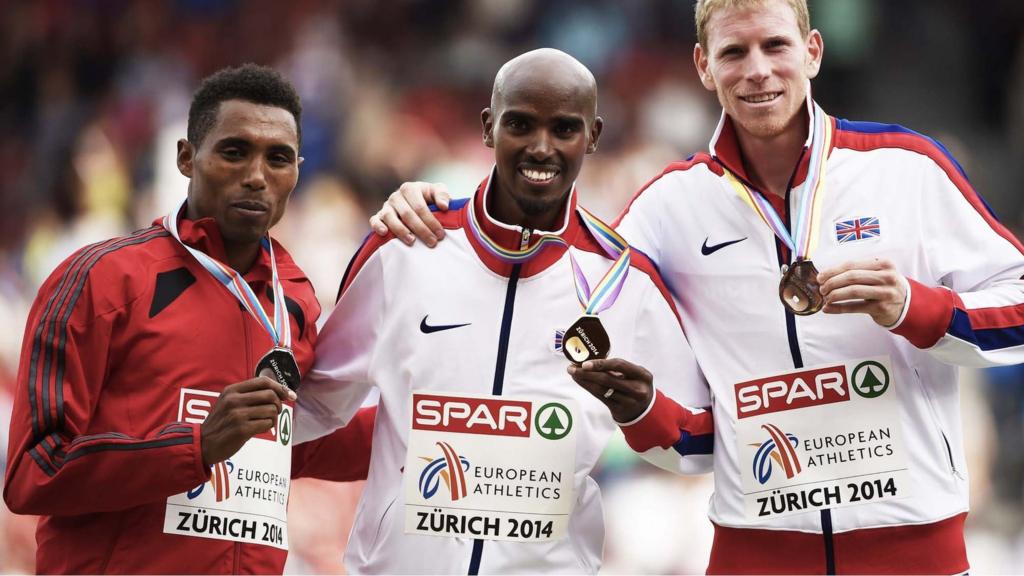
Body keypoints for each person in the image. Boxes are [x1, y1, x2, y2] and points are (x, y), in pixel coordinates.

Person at [370, 0, 1024, 573]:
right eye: (733, 52)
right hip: (754, 557)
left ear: (813, 51)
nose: (758, 70)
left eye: (776, 45)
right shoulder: (667, 208)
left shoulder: (904, 170)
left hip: (915, 557)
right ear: (704, 67)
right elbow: (552, 269)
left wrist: (915, 306)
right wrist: (439, 210)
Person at [295, 48, 713, 574]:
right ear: (489, 127)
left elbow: (700, 445)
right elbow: (313, 407)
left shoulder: (625, 282)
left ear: (595, 136)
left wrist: (644, 410)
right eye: (520, 124)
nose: (541, 148)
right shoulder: (405, 246)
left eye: (564, 129)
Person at [3, 64, 375, 574]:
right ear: (186, 158)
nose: (256, 176)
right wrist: (196, 447)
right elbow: (32, 471)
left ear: (298, 171)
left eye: (278, 159)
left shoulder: (294, 298)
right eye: (234, 151)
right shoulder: (102, 279)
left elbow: (296, 442)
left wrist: (423, 425)